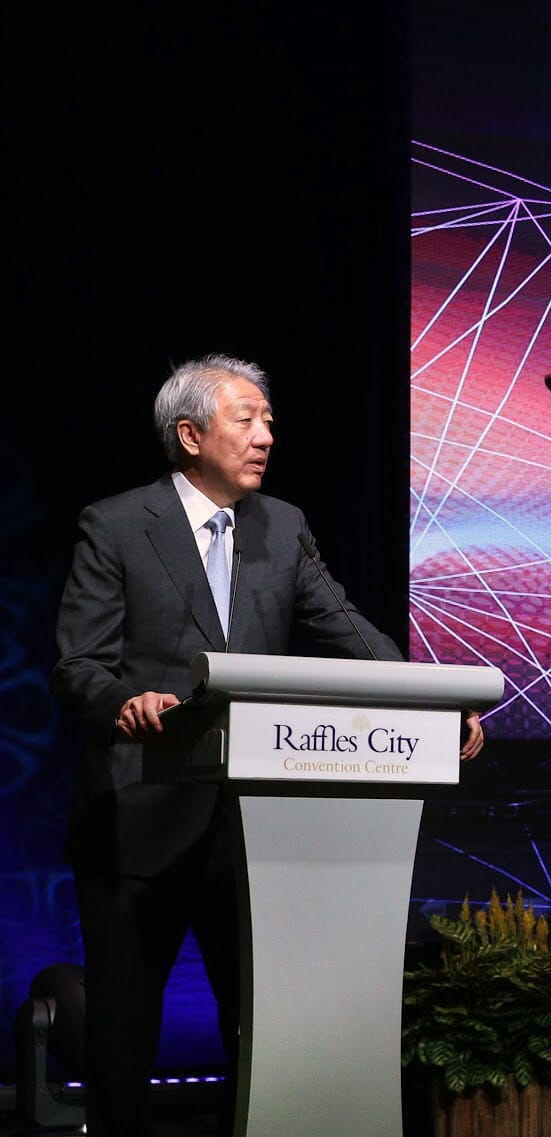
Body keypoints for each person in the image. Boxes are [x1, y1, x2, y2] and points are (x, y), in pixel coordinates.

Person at [50, 353, 484, 1136]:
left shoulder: (282, 528)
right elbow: (79, 663)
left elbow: (350, 631)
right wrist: (127, 701)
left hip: (253, 832)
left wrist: (435, 702)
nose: (266, 434)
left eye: (269, 420)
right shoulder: (114, 523)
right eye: (246, 418)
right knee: (123, 1037)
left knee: (259, 1028)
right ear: (189, 434)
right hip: (137, 821)